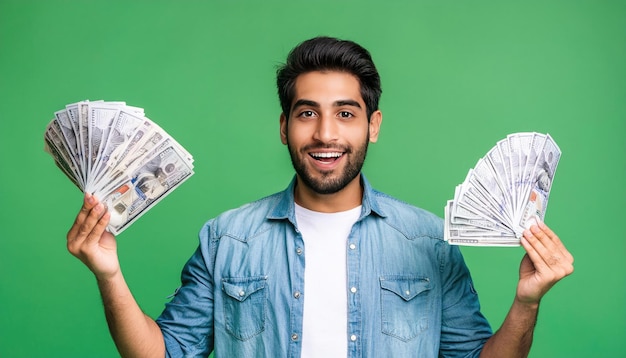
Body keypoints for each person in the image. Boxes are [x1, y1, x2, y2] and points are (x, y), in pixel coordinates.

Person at [67, 36, 574, 358]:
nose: (326, 133)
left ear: (373, 126)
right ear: (284, 127)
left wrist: (525, 303)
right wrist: (109, 274)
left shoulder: (429, 241)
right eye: (307, 113)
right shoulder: (226, 239)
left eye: (346, 113)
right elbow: (163, 354)